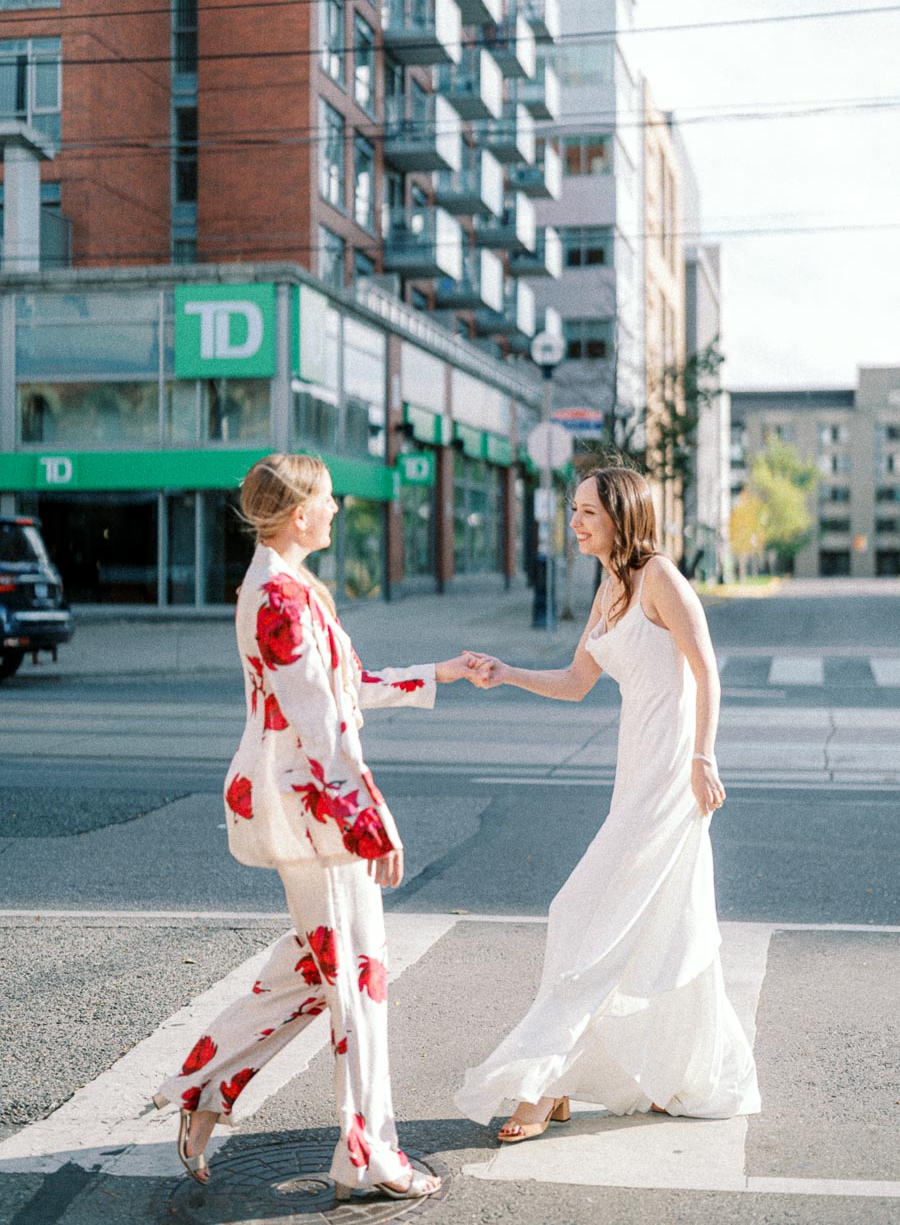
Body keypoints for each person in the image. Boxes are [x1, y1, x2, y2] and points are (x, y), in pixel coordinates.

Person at [154, 453, 474, 1201]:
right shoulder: (278, 596)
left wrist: (444, 671)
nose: (338, 508)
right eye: (329, 499)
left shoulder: (290, 587)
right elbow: (322, 727)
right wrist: (373, 822)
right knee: (357, 980)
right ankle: (369, 1155)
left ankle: (202, 1087)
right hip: (316, 816)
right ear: (301, 513)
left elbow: (348, 687)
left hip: (316, 811)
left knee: (315, 970)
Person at [456, 465, 760, 1140]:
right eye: (574, 510)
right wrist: (505, 673)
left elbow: (707, 669)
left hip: (669, 786)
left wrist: (704, 758)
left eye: (588, 512)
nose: (576, 522)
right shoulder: (610, 587)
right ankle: (655, 1074)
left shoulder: (660, 579)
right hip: (636, 782)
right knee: (654, 926)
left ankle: (539, 1086)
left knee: (585, 918)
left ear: (623, 516)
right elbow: (574, 681)